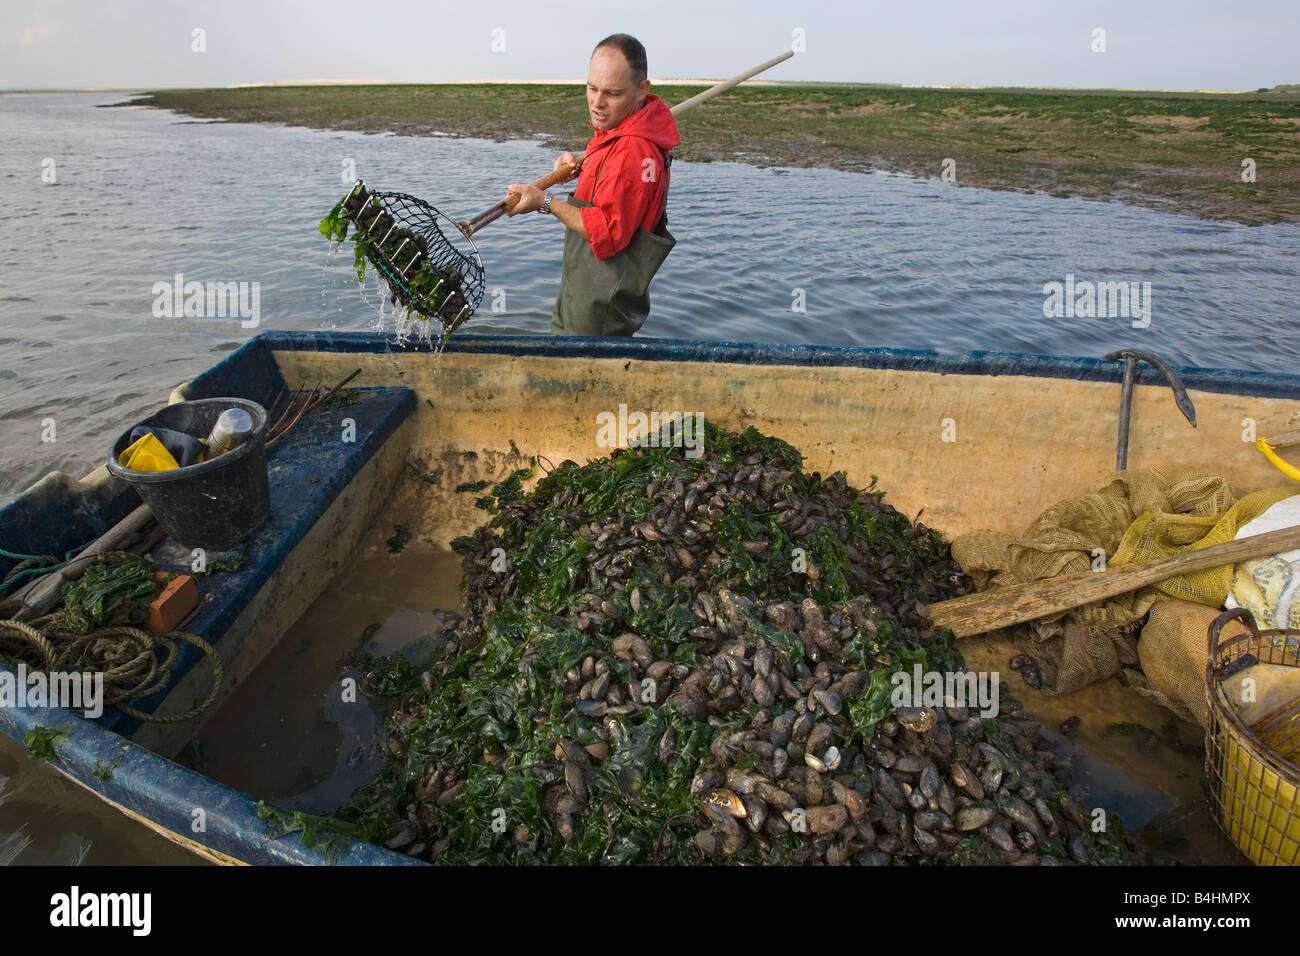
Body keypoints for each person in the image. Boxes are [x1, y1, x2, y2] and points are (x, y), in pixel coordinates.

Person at [505, 34, 680, 337]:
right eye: (592, 88)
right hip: (584, 293)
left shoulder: (634, 151)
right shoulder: (619, 135)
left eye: (612, 93)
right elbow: (616, 180)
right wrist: (583, 166)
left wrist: (544, 202)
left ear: (642, 91)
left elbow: (609, 231)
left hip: (600, 307)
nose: (597, 103)